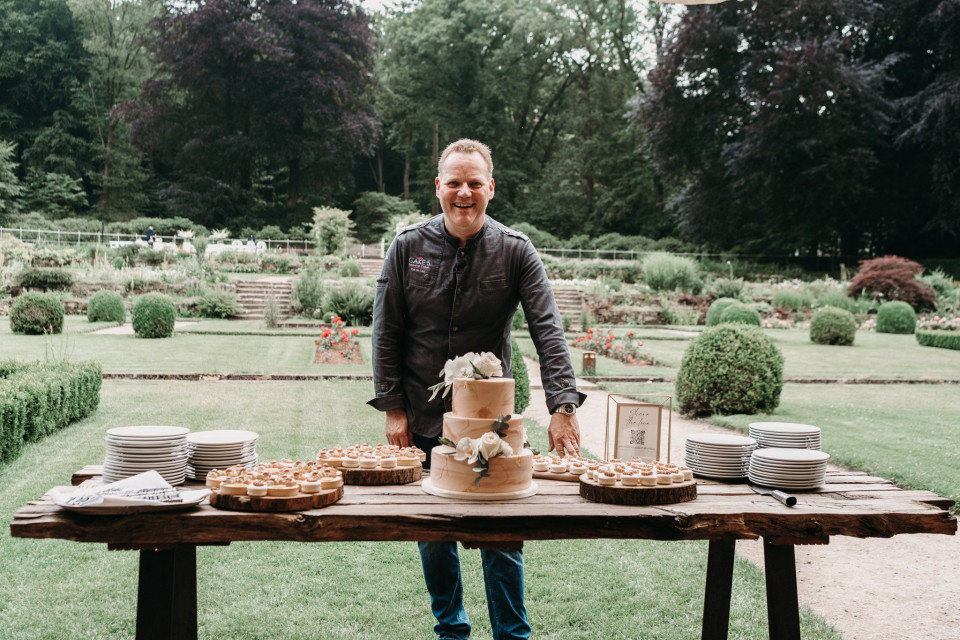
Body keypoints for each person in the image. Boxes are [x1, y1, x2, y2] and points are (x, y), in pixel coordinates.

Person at [369, 138, 585, 640]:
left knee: (502, 532)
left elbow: (546, 328)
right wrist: (393, 409)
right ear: (437, 189)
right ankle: (451, 631)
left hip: (493, 422)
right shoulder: (407, 248)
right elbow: (386, 334)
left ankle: (512, 635)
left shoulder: (515, 251)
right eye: (453, 183)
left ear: (491, 188)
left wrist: (564, 403)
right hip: (425, 420)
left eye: (473, 183)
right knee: (434, 532)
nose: (463, 193)